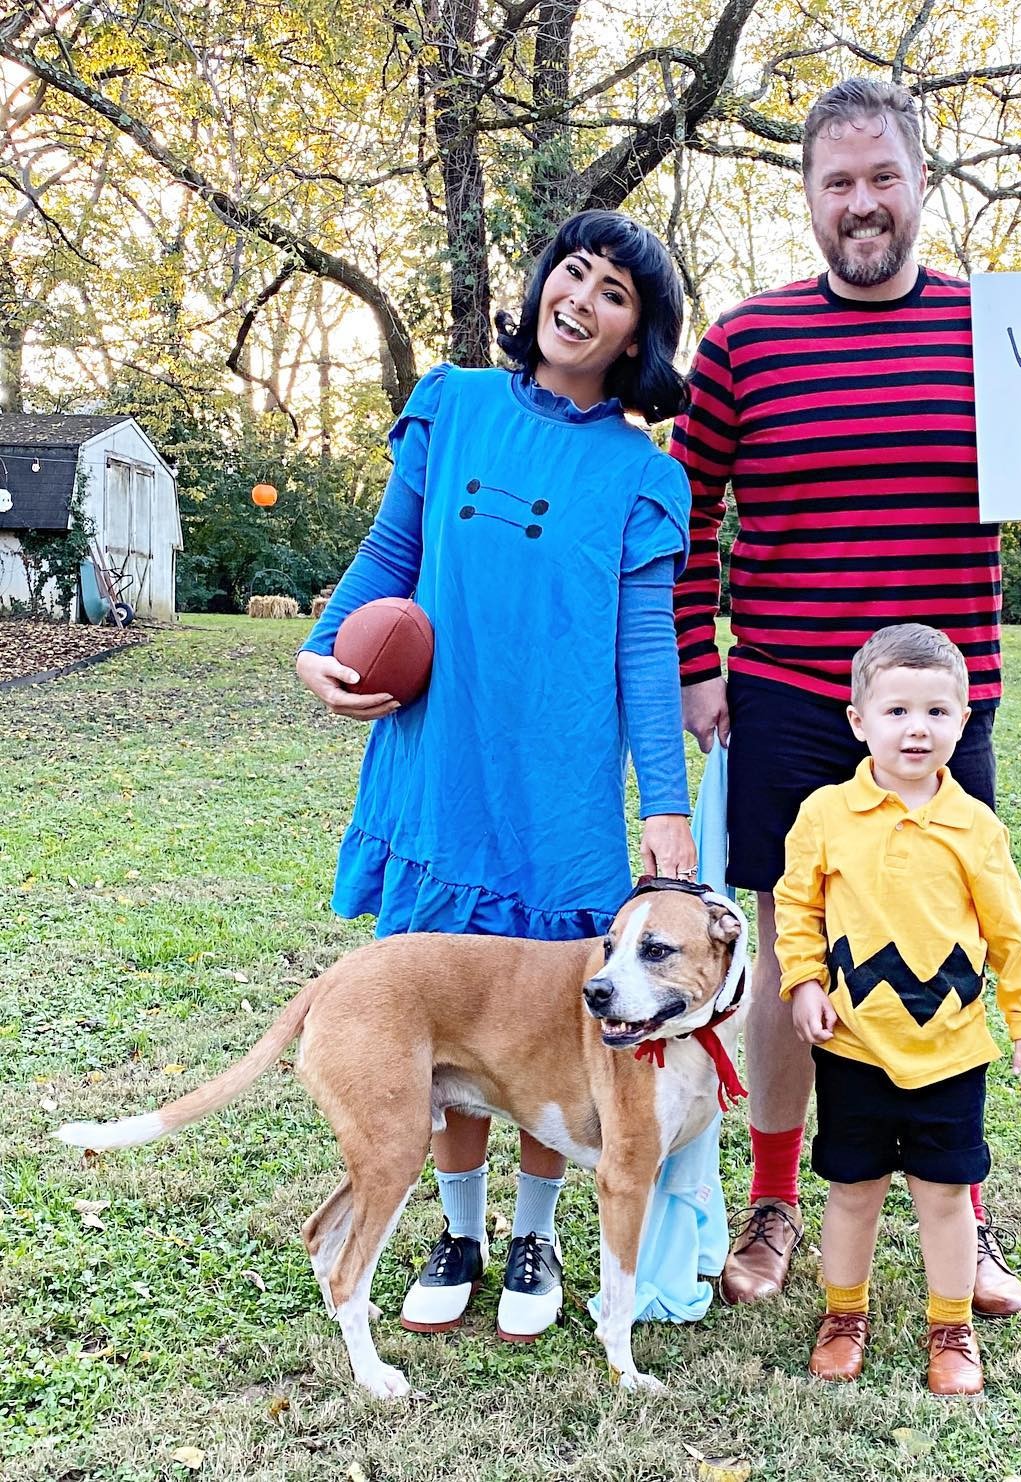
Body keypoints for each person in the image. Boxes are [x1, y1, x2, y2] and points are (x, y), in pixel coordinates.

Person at [670, 76, 1021, 1314]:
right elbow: (686, 517)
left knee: (945, 944)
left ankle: (967, 1213)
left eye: (881, 178)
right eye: (836, 183)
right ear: (806, 198)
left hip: (948, 710)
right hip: (791, 696)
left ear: (920, 185)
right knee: (801, 950)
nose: (861, 204)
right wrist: (698, 661)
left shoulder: (997, 338)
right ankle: (778, 1200)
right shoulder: (744, 343)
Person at [296, 209, 697, 1344]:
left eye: (615, 292)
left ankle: (534, 1231)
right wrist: (321, 645)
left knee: (548, 1026)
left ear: (636, 335)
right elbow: (389, 554)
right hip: (443, 764)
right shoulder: (455, 403)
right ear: (540, 287)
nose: (583, 297)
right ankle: (458, 1228)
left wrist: (663, 802)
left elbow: (643, 647)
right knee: (450, 1012)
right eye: (572, 272)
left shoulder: (641, 474)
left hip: (561, 791)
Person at [775, 624, 1021, 1395]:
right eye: (897, 711)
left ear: (964, 722)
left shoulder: (976, 827)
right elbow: (797, 911)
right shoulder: (826, 814)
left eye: (936, 711)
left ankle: (951, 1326)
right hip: (856, 1045)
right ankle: (843, 1314)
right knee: (852, 1190)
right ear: (860, 721)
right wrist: (802, 981)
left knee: (945, 1196)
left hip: (951, 1052)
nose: (917, 728)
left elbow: (1010, 933)